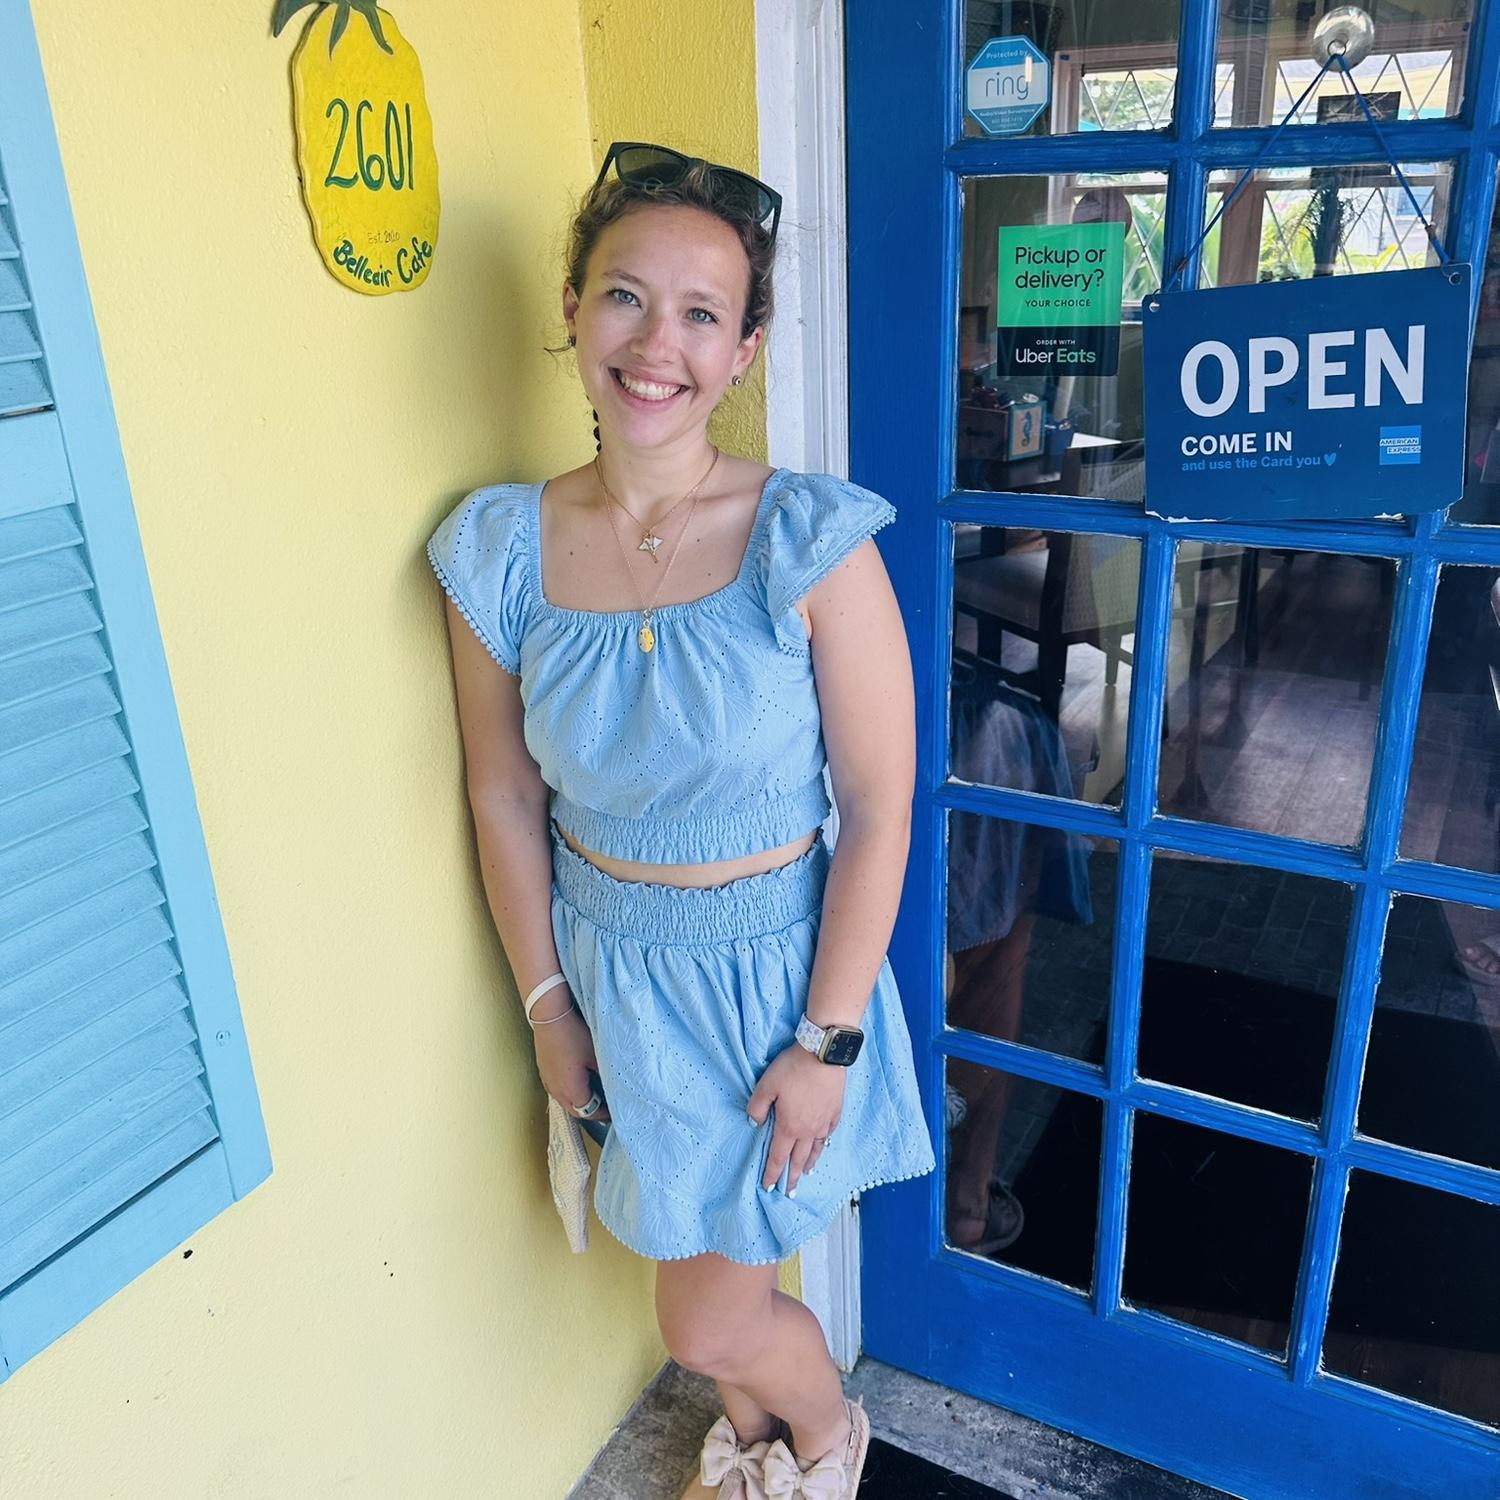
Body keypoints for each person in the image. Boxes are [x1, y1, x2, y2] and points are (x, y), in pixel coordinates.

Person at [425, 142, 935, 1500]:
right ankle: (756, 1445)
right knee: (713, 1266)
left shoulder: (807, 539)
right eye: (626, 297)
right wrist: (548, 1006)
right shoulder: (499, 551)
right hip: (613, 975)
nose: (659, 345)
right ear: (573, 310)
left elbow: (880, 806)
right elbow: (502, 792)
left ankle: (822, 1444)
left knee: (705, 1317)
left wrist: (827, 1040)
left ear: (745, 348)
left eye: (703, 313)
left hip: (775, 983)